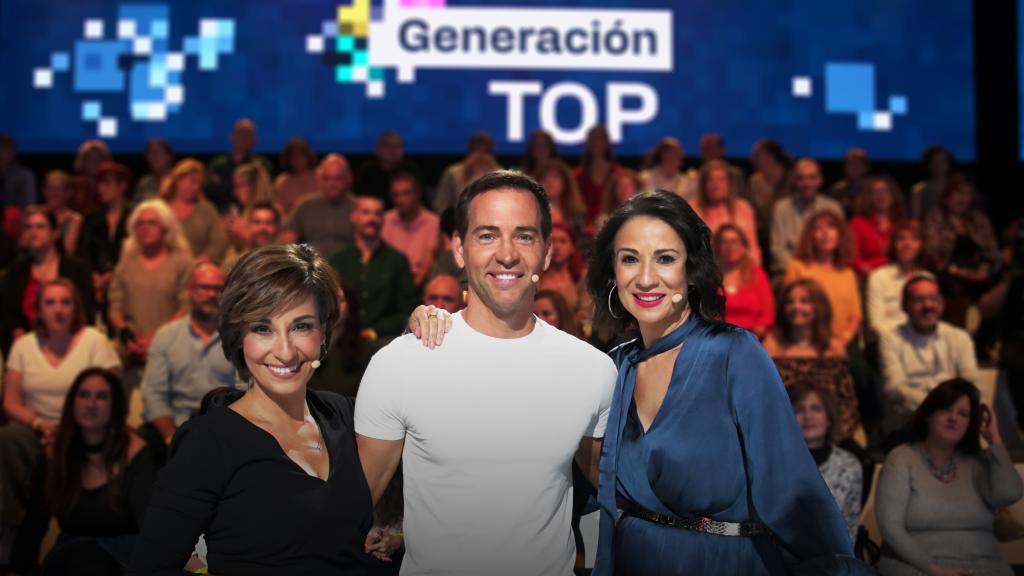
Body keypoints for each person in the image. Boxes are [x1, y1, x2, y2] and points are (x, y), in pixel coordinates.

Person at [585, 190, 864, 574]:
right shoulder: (613, 368)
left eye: (665, 259)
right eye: (629, 259)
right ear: (612, 273)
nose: (646, 278)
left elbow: (793, 490)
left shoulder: (735, 353)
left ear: (692, 270)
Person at [356, 170, 614, 575]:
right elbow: (351, 509)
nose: (507, 253)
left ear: (547, 252)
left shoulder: (592, 370)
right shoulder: (401, 364)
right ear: (459, 249)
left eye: (525, 236)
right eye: (488, 235)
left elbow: (619, 494)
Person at [129, 244, 373, 575]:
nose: (285, 352)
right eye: (262, 328)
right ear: (238, 336)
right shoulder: (208, 442)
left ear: (324, 333)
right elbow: (150, 567)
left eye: (301, 326)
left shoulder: (343, 413)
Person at [0, 279, 121, 573]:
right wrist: (41, 424)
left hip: (86, 427)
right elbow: (11, 402)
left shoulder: (94, 340)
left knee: (58, 456)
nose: (58, 309)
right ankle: (10, 527)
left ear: (76, 307)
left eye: (65, 302)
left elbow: (110, 395)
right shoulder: (23, 345)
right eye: (50, 303)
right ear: (38, 309)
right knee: (8, 438)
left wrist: (70, 429)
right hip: (36, 427)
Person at [876, 378, 1022, 576]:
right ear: (928, 414)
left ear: (971, 423)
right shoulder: (902, 458)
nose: (953, 418)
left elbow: (1011, 493)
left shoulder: (978, 462)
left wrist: (994, 440)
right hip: (916, 567)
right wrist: (935, 570)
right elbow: (890, 527)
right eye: (946, 409)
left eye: (963, 414)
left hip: (984, 566)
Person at [42, 369, 156, 574]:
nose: (90, 404)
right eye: (83, 394)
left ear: (115, 406)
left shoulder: (136, 454)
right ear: (72, 402)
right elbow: (34, 522)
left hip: (120, 556)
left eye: (102, 397)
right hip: (69, 554)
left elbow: (150, 528)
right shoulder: (56, 452)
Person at [138, 263, 242, 461]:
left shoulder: (239, 337)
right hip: (174, 429)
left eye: (218, 289)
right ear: (189, 292)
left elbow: (245, 390)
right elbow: (154, 394)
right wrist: (172, 438)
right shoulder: (166, 336)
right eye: (204, 287)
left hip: (224, 428)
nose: (211, 295)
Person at [762, 279, 861, 443]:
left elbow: (847, 405)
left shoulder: (834, 349)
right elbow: (763, 403)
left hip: (828, 439)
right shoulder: (770, 347)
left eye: (804, 301)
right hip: (780, 438)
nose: (796, 307)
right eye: (790, 302)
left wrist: (833, 440)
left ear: (818, 307)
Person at [879, 274, 979, 436]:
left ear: (942, 304)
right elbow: (894, 388)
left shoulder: (959, 337)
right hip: (909, 425)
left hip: (953, 427)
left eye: (933, 298)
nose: (928, 305)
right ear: (904, 306)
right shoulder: (891, 339)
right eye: (918, 300)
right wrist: (941, 408)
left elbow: (971, 382)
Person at [108, 200, 192, 370]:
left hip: (172, 344)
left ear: (165, 228)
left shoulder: (182, 263)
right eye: (140, 223)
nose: (145, 228)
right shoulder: (125, 264)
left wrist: (157, 338)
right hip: (130, 345)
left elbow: (186, 306)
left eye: (152, 223)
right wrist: (128, 337)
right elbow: (115, 306)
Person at [0, 206, 95, 356]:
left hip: (70, 344)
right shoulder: (16, 270)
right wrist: (18, 333)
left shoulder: (77, 269)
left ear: (55, 233)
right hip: (26, 346)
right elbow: (8, 312)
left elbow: (86, 311)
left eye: (40, 227)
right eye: (29, 227)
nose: (33, 232)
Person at [328, 195, 417, 343]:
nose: (372, 219)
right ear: (353, 217)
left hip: (383, 339)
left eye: (377, 213)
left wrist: (374, 332)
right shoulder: (338, 260)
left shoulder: (397, 260)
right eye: (366, 212)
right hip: (342, 339)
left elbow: (407, 310)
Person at [788, 382, 863, 543]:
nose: (808, 416)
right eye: (799, 410)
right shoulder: (773, 463)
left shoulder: (849, 465)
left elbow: (849, 528)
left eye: (816, 408)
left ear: (829, 418)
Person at [922, 173, 999, 327]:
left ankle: (990, 342)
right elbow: (932, 255)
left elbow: (991, 252)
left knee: (1002, 285)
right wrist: (959, 272)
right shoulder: (935, 218)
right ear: (947, 196)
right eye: (958, 193)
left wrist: (983, 270)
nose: (963, 199)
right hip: (948, 273)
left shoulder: (978, 219)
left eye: (967, 194)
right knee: (954, 289)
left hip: (979, 274)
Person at [783, 210, 862, 348]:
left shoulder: (848, 273)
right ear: (811, 236)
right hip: (805, 344)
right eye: (818, 228)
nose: (825, 233)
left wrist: (843, 340)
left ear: (840, 235)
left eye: (831, 227)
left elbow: (855, 316)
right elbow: (788, 309)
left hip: (841, 344)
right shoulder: (797, 267)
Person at [770, 158, 844, 274]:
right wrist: (799, 270)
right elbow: (778, 249)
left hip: (827, 270)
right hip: (792, 270)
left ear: (820, 180)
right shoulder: (781, 209)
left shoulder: (833, 208)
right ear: (794, 181)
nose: (806, 183)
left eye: (811, 178)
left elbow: (841, 245)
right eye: (801, 178)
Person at [76, 161, 130, 317]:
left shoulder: (134, 217)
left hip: (125, 284)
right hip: (94, 286)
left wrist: (112, 275)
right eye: (99, 184)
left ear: (122, 186)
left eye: (107, 183)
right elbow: (83, 253)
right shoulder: (91, 218)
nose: (101, 189)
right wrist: (95, 277)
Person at [693, 159, 761, 265]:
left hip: (739, 269)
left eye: (721, 179)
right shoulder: (692, 209)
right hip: (704, 269)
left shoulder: (743, 208)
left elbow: (752, 248)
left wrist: (752, 271)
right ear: (703, 184)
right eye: (711, 180)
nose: (716, 185)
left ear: (729, 184)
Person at [287, 154, 356, 257]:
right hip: (309, 266)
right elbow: (288, 240)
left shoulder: (357, 208)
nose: (332, 184)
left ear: (348, 179)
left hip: (346, 268)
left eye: (338, 179)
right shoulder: (305, 206)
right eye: (327, 178)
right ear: (319, 179)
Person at [307, 283, 369, 398]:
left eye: (340, 299)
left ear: (349, 307)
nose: (333, 305)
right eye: (327, 299)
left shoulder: (365, 351)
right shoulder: (303, 347)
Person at [161, 158, 228, 264]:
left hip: (198, 268)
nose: (196, 187)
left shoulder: (206, 209)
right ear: (178, 179)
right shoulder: (160, 208)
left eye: (199, 183)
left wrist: (204, 259)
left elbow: (219, 241)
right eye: (192, 181)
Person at [866, 221, 927, 336]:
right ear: (893, 244)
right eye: (901, 239)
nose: (907, 244)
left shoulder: (927, 278)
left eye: (914, 239)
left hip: (921, 341)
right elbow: (876, 324)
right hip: (888, 340)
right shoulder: (878, 277)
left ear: (921, 245)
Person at [714, 224, 773, 339]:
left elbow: (767, 314)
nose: (729, 247)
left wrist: (751, 338)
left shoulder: (757, 274)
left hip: (753, 338)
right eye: (724, 242)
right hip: (718, 338)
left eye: (734, 241)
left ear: (743, 247)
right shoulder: (710, 277)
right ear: (717, 247)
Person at [381, 172, 440, 287]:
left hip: (421, 284)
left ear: (418, 194)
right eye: (396, 195)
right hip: (389, 283)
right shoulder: (385, 220)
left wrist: (411, 287)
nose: (400, 200)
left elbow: (428, 263)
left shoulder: (433, 222)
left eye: (406, 193)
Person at [205, 118, 274, 212]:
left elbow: (265, 194)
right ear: (232, 136)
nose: (244, 138)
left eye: (248, 134)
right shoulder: (218, 165)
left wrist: (224, 185)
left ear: (255, 139)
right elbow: (211, 192)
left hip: (253, 215)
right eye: (241, 134)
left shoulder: (261, 166)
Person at [850, 174, 905, 279]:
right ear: (868, 197)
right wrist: (866, 269)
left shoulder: (901, 224)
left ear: (893, 195)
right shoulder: (857, 223)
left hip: (898, 275)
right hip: (867, 276)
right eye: (875, 192)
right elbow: (852, 257)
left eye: (886, 191)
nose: (881, 196)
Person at [434, 131, 495, 214]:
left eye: (484, 151)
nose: (480, 155)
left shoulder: (500, 174)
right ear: (470, 149)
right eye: (476, 150)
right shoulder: (453, 172)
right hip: (458, 221)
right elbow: (442, 204)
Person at [355, 131, 420, 208]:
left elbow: (420, 200)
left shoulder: (411, 170)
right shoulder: (367, 170)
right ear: (378, 150)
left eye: (397, 146)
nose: (392, 150)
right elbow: (357, 198)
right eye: (387, 146)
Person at [537, 221, 588, 318]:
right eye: (552, 241)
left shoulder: (581, 276)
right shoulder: (536, 276)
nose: (556, 247)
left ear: (572, 247)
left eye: (562, 241)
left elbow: (585, 314)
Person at [223, 161, 276, 253]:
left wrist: (244, 234)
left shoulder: (272, 213)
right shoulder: (244, 212)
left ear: (253, 186)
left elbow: (271, 249)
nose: (235, 193)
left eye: (239, 186)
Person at [574, 125, 621, 225]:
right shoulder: (577, 175)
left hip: (613, 222)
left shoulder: (617, 173)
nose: (596, 143)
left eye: (599, 139)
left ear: (606, 143)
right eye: (592, 139)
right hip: (585, 226)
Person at [537, 159, 587, 236]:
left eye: (555, 177)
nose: (549, 181)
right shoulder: (531, 213)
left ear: (565, 184)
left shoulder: (575, 216)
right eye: (544, 177)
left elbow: (583, 244)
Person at [0, 134, 37, 235]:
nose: (2, 153)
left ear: (12, 152)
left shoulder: (25, 176)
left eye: (5, 149)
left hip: (17, 228)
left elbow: (29, 207)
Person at [42, 170, 84, 255]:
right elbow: (25, 245)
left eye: (58, 189)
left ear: (68, 193)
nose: (54, 193)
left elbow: (67, 251)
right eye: (50, 188)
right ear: (44, 191)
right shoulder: (36, 216)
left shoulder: (75, 219)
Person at [273, 137, 318, 216]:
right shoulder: (282, 182)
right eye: (293, 156)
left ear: (308, 156)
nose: (297, 160)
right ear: (288, 159)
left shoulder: (320, 178)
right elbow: (278, 210)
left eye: (301, 155)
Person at [909, 145, 953, 221]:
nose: (939, 166)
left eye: (942, 161)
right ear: (928, 165)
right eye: (935, 162)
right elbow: (915, 218)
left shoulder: (957, 186)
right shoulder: (918, 188)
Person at [69, 140, 111, 215]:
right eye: (90, 158)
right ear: (82, 161)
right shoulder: (73, 185)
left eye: (98, 158)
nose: (94, 162)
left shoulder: (110, 185)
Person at [827, 148, 870, 216]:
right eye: (850, 164)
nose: (853, 168)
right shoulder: (836, 190)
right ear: (844, 167)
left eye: (857, 164)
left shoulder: (871, 189)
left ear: (865, 167)